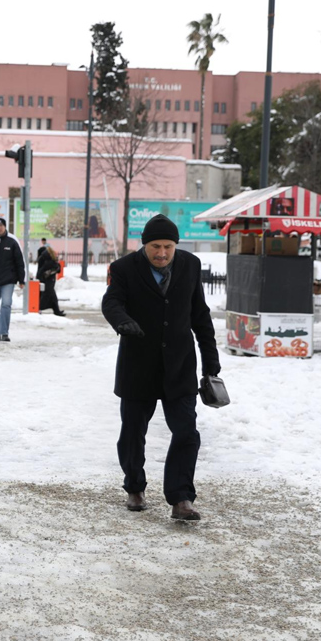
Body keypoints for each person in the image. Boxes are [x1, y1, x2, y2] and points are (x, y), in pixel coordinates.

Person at [101, 214, 221, 520]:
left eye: (168, 246)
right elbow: (111, 302)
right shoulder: (123, 268)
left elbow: (200, 317)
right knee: (132, 433)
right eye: (156, 246)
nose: (162, 253)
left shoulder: (190, 266)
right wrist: (123, 321)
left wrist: (211, 365)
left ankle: (181, 498)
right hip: (138, 366)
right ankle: (134, 487)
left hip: (179, 366)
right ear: (145, 245)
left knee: (187, 433)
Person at [36, 247, 66, 317]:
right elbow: (55, 267)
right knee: (49, 296)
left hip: (46, 280)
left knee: (52, 297)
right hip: (47, 281)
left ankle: (56, 311)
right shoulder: (48, 260)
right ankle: (38, 308)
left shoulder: (44, 258)